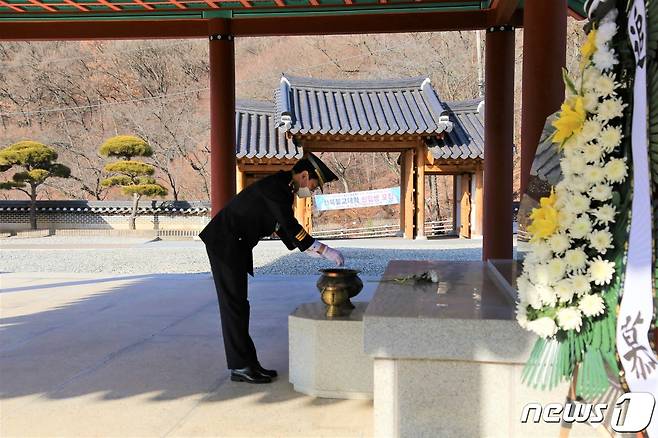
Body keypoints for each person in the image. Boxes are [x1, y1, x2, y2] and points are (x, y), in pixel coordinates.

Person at [199, 152, 345, 384]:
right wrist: (323, 249)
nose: (313, 191)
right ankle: (240, 366)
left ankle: (249, 363)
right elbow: (289, 224)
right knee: (233, 306)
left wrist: (308, 248)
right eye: (315, 186)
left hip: (233, 244)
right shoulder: (277, 188)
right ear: (305, 176)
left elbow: (282, 226)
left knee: (239, 305)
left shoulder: (282, 187)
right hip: (225, 244)